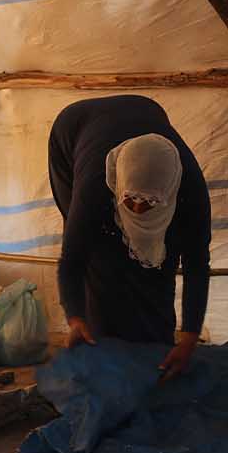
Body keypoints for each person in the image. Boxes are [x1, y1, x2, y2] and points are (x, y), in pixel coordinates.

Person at [48, 95, 212, 380]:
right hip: (74, 130)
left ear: (168, 192)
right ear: (118, 185)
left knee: (163, 256)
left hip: (145, 110)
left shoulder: (190, 189)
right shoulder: (96, 186)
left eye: (148, 202)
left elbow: (197, 264)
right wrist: (75, 317)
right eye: (129, 200)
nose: (136, 209)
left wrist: (188, 338)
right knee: (100, 252)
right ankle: (101, 345)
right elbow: (73, 258)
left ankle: (156, 345)